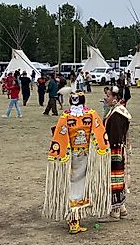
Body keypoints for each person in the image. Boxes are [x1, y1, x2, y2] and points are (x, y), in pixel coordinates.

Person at [42, 92, 111, 234]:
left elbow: (58, 135)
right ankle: (74, 219)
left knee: (73, 184)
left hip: (71, 156)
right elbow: (100, 133)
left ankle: (73, 218)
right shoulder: (91, 114)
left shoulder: (65, 116)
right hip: (85, 156)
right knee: (79, 185)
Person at [104, 86, 132, 219]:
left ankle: (115, 209)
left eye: (108, 96)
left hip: (115, 150)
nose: (106, 98)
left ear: (115, 97)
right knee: (118, 178)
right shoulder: (117, 111)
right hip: (117, 149)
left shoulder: (117, 114)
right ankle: (121, 207)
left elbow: (115, 136)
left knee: (115, 178)